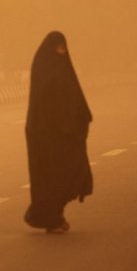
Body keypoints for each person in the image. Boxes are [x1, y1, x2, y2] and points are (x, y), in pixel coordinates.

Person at [24, 31, 93, 233]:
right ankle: (50, 218)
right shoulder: (44, 69)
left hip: (65, 135)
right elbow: (44, 103)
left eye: (63, 47)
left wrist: (76, 121)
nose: (61, 52)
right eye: (57, 47)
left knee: (69, 173)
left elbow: (74, 99)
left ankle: (54, 215)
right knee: (49, 177)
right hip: (44, 134)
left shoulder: (63, 70)